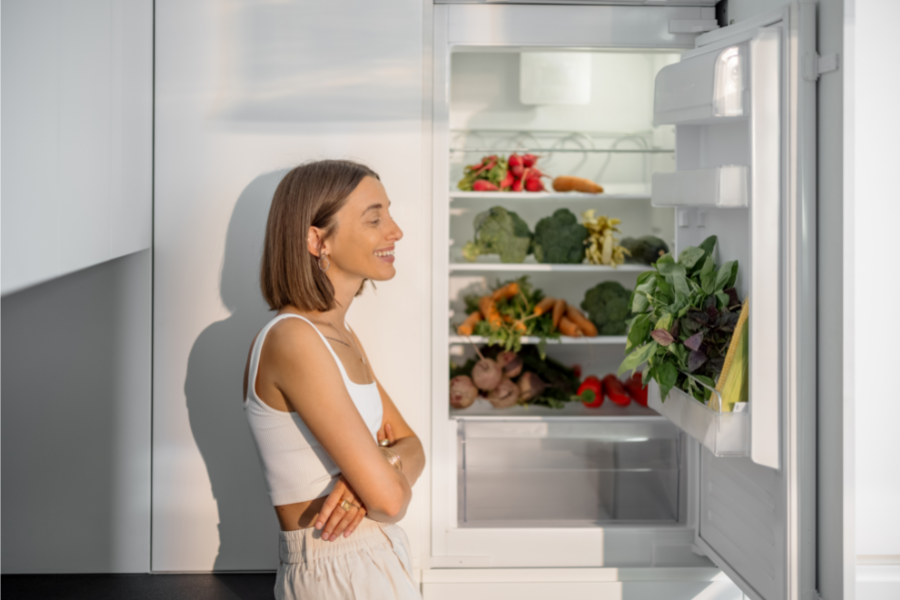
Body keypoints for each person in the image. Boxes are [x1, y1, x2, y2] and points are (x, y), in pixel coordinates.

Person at [242, 160, 425, 600]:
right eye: (374, 218)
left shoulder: (341, 336)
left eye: (389, 214)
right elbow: (391, 500)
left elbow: (413, 446)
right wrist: (376, 480)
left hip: (374, 560)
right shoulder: (293, 339)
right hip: (336, 569)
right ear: (315, 239)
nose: (395, 231)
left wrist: (382, 470)